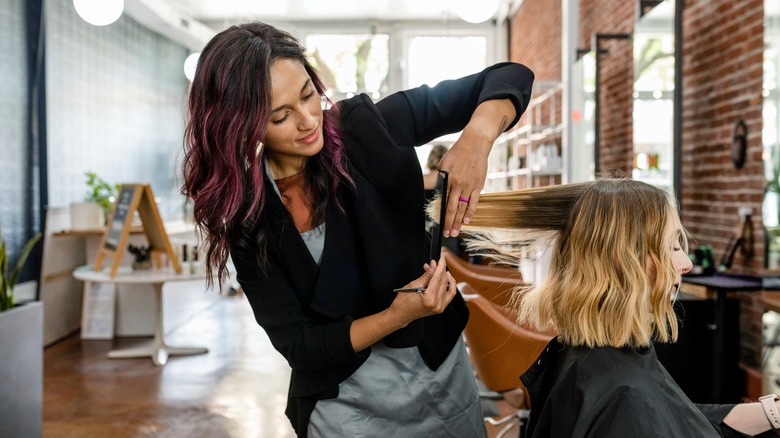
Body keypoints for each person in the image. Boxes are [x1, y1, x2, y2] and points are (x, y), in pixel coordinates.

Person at [181, 22, 534, 437]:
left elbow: (509, 76)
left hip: (436, 373)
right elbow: (300, 346)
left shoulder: (366, 129)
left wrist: (477, 138)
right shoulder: (250, 218)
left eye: (308, 95)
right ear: (242, 128)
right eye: (281, 116)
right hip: (342, 405)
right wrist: (395, 316)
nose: (308, 120)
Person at [438, 178, 780, 437]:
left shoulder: (597, 363)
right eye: (673, 245)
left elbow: (674, 415)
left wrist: (770, 414)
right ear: (624, 259)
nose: (686, 263)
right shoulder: (623, 394)